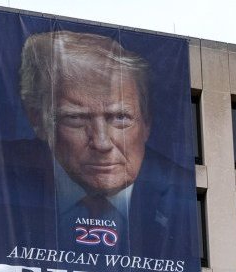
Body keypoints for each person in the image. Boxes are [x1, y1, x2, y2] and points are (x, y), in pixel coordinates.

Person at [14, 30, 185, 255]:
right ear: (38, 120)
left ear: (146, 123)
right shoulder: (2, 177)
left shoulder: (184, 194)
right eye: (75, 118)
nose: (102, 143)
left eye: (120, 118)